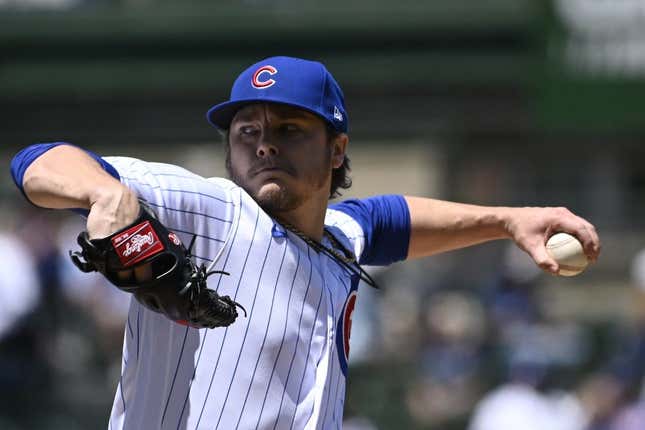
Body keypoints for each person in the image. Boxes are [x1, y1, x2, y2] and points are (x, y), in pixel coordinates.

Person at [9, 56, 601, 429]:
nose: (264, 145)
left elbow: (389, 220)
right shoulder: (215, 208)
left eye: (289, 130)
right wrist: (105, 196)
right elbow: (37, 161)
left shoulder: (336, 240)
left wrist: (506, 219)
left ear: (336, 150)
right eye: (248, 131)